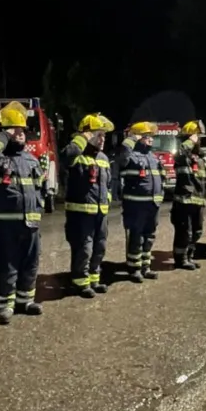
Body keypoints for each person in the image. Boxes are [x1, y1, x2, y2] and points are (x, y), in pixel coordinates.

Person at [0, 101, 44, 323]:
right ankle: (5, 306)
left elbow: (38, 188)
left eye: (22, 130)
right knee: (7, 265)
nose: (20, 134)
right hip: (3, 227)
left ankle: (25, 301)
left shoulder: (31, 160)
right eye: (14, 130)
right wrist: (5, 135)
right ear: (2, 132)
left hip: (30, 225)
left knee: (30, 264)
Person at [62, 112, 114, 296]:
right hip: (81, 214)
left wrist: (106, 200)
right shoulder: (76, 153)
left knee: (100, 247)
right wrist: (81, 138)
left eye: (104, 135)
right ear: (88, 135)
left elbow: (108, 185)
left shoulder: (104, 158)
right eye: (98, 135)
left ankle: (94, 278)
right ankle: (80, 282)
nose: (102, 139)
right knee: (84, 248)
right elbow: (65, 157)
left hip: (100, 213)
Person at [117, 121, 165, 281]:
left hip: (152, 205)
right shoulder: (130, 155)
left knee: (149, 236)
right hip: (136, 206)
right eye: (147, 136)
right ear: (138, 138)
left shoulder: (152, 157)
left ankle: (145, 266)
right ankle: (134, 268)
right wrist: (131, 138)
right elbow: (122, 158)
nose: (151, 140)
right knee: (136, 236)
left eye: (151, 136)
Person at [171, 120, 206, 269]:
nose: (199, 141)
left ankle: (190, 256)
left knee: (197, 231)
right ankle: (181, 260)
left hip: (198, 201)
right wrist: (190, 141)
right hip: (184, 202)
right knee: (185, 232)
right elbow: (178, 154)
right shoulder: (182, 155)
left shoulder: (199, 159)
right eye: (197, 138)